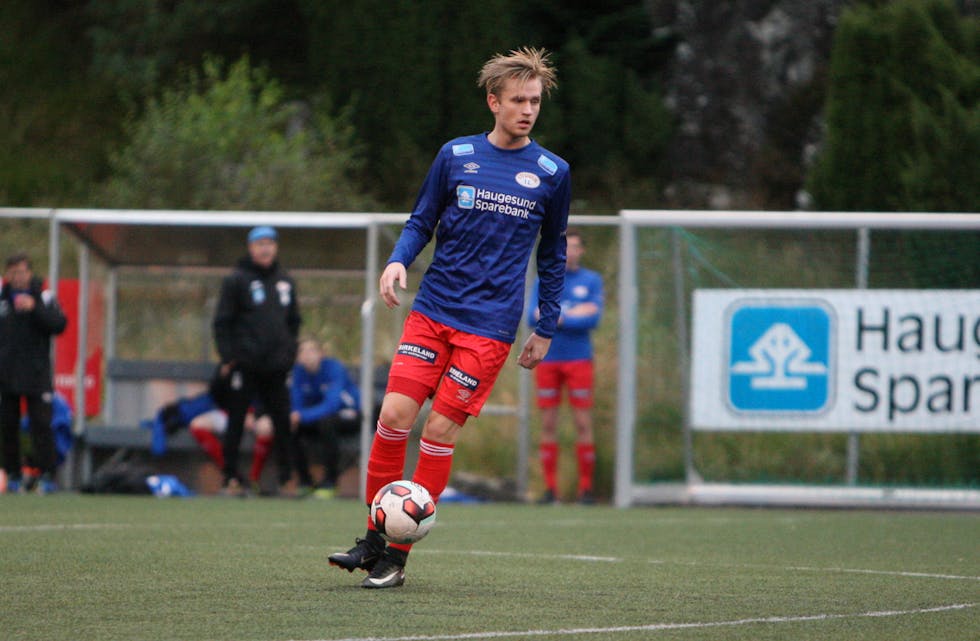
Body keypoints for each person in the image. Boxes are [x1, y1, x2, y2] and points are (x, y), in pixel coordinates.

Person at [328, 47, 570, 589]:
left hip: (489, 326)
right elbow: (422, 220)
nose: (528, 110)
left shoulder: (553, 173)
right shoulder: (456, 155)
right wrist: (397, 260)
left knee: (438, 429)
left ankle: (395, 557)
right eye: (518, 100)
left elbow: (553, 255)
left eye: (535, 101)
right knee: (394, 415)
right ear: (493, 102)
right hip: (433, 309)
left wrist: (546, 325)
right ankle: (372, 538)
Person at [213, 226, 301, 496]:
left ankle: (286, 479)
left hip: (277, 367)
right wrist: (228, 357)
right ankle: (230, 478)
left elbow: (294, 322)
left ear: (276, 247)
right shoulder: (236, 280)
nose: (265, 249)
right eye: (260, 244)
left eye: (269, 243)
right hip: (246, 364)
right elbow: (222, 321)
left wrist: (289, 354)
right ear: (251, 248)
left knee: (282, 422)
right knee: (237, 421)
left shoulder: (285, 281)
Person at [526, 229, 603, 504]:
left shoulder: (591, 280)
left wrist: (557, 316)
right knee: (548, 423)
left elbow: (593, 318)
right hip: (548, 359)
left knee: (583, 422)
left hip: (579, 359)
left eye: (574, 247)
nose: (570, 252)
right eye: (566, 247)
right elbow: (532, 316)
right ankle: (550, 490)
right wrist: (573, 313)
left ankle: (586, 489)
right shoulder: (545, 279)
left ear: (582, 251)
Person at [0, 253, 68, 494]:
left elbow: (59, 324)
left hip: (37, 376)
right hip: (6, 375)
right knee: (8, 426)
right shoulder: (2, 298)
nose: (17, 277)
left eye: (21, 272)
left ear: (29, 273)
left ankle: (47, 475)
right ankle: (13, 474)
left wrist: (34, 308)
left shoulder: (44, 297)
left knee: (41, 424)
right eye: (13, 272)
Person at [152, 390, 274, 494]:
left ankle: (254, 480)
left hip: (257, 414)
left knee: (265, 428)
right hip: (229, 411)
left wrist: (254, 413)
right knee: (197, 425)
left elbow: (271, 394)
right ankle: (231, 474)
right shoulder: (231, 370)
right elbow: (218, 391)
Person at [290, 338, 362, 499]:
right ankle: (305, 481)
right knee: (291, 426)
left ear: (320, 353)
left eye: (311, 350)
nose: (307, 355)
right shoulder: (298, 372)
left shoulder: (334, 368)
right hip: (317, 418)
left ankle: (330, 482)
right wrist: (296, 416)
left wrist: (301, 416)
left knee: (327, 422)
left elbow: (332, 405)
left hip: (348, 414)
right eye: (302, 351)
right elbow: (296, 404)